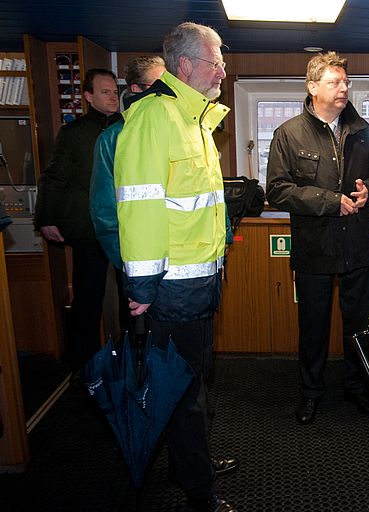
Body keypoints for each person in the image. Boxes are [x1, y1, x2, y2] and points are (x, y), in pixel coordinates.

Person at [113, 23, 237, 512]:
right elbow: (140, 207)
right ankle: (200, 492)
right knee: (184, 392)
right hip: (169, 290)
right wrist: (142, 287)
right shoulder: (154, 117)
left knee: (194, 383)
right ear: (185, 66)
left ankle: (189, 463)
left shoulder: (194, 119)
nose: (222, 71)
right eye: (215, 62)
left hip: (199, 284)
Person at [266, 51, 369, 425]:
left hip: (356, 245)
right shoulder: (289, 133)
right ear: (312, 87)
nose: (344, 88)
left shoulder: (363, 131)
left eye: (346, 82)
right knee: (313, 326)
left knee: (359, 325)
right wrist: (329, 201)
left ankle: (357, 388)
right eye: (334, 82)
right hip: (315, 248)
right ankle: (311, 393)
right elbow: (277, 190)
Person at [34, 68, 120, 371]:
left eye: (115, 92)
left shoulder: (129, 128)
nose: (113, 97)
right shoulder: (74, 133)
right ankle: (86, 368)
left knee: (132, 299)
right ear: (88, 96)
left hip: (124, 229)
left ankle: (132, 364)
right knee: (88, 299)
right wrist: (46, 217)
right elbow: (55, 177)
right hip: (88, 227)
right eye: (105, 92)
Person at [91, 55, 166, 268]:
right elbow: (104, 211)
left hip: (179, 258)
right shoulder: (112, 139)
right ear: (135, 89)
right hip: (137, 256)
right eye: (158, 88)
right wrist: (125, 262)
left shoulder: (179, 132)